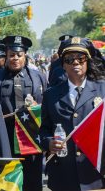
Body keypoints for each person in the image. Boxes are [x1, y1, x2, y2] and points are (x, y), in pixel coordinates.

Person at [40, 37, 105, 191]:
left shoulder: (102, 89)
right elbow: (43, 131)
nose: (75, 63)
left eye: (81, 58)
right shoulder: (51, 95)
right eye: (69, 59)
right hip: (63, 175)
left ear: (87, 61)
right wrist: (49, 142)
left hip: (95, 174)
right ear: (63, 65)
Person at [0, 35, 47, 191]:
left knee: (33, 182)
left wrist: (37, 107)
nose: (15, 58)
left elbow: (46, 106)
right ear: (6, 56)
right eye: (11, 55)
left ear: (25, 56)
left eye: (19, 55)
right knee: (8, 183)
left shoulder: (38, 77)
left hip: (31, 139)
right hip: (6, 138)